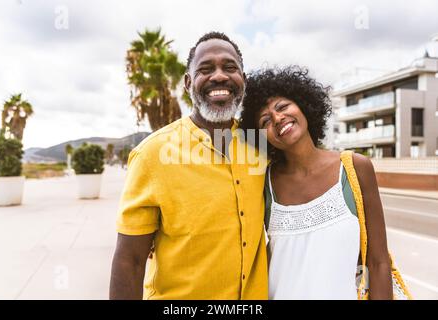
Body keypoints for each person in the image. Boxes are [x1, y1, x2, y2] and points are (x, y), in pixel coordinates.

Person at [109, 32, 268, 300]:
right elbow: (130, 260)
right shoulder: (153, 154)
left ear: (244, 80)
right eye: (205, 69)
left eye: (230, 67)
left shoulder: (261, 146)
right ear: (187, 82)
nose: (219, 76)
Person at [239, 66, 393, 300]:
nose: (278, 118)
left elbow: (379, 262)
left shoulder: (355, 168)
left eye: (282, 107)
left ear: (303, 105)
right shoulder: (264, 183)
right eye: (265, 121)